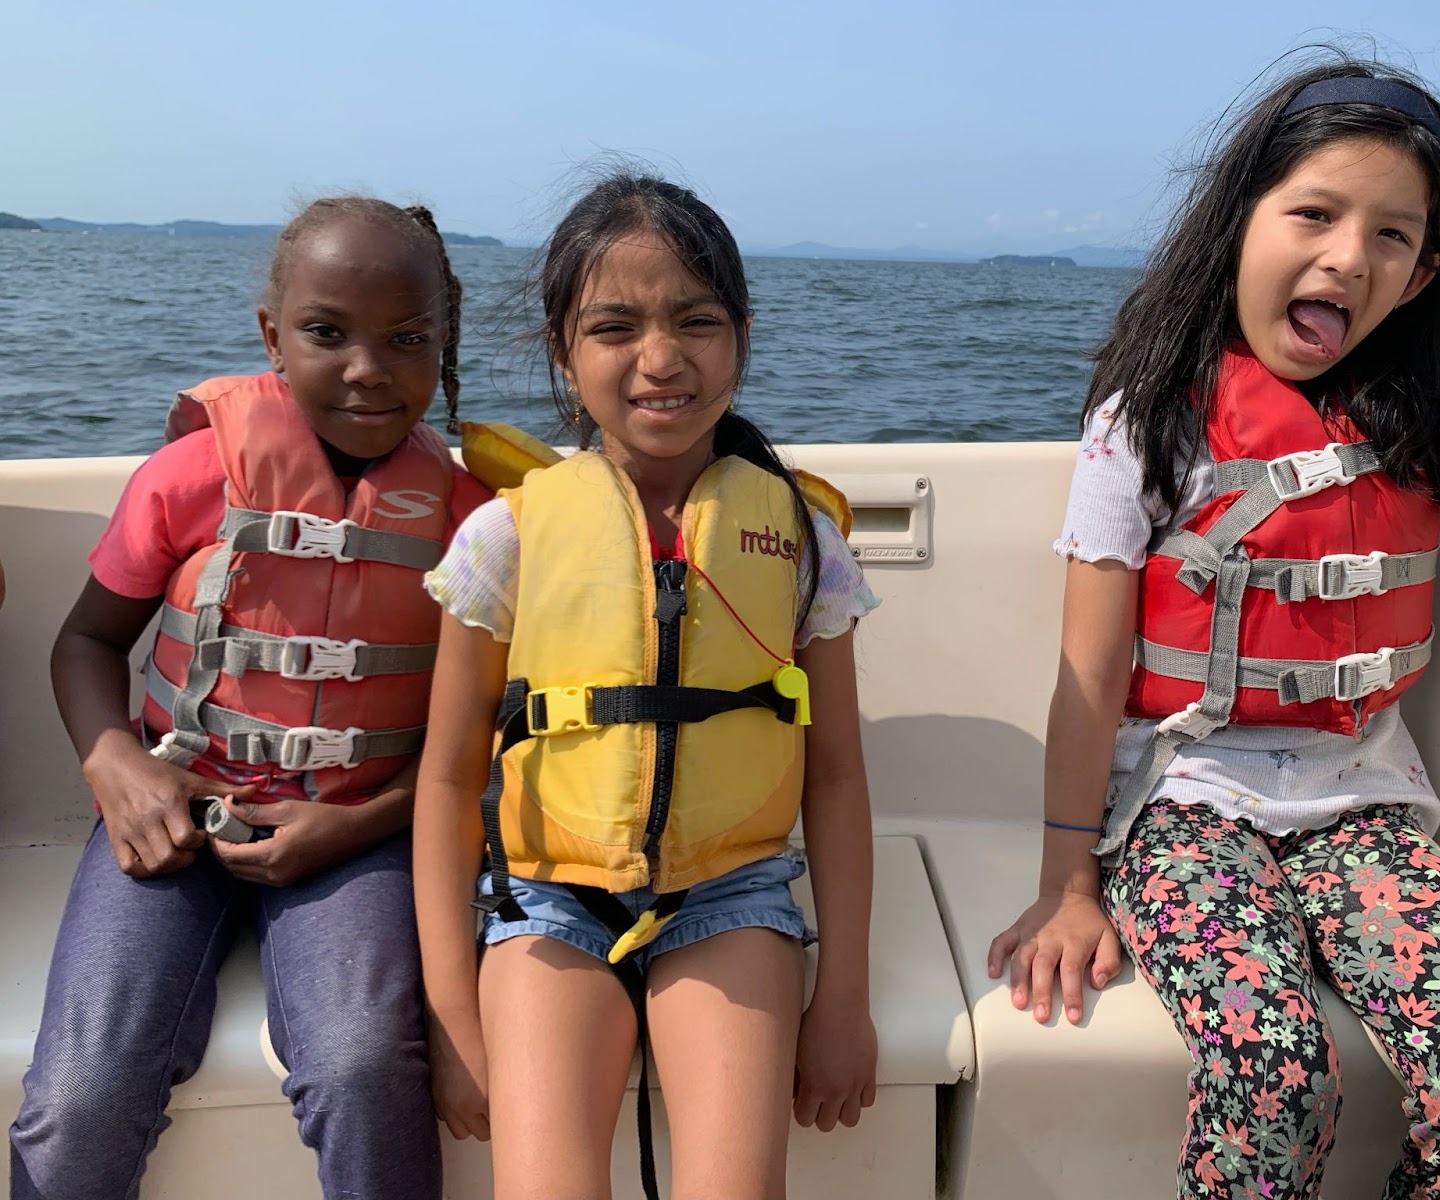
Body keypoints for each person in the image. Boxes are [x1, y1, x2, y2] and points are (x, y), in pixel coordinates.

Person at [987, 58, 1440, 1198]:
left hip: (1363, 809)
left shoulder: (1439, 418)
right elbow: (1087, 672)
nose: (1345, 256)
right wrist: (1068, 886)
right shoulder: (1148, 426)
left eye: (1390, 236)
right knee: (1271, 1070)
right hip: (1179, 802)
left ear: (1419, 276)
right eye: (1314, 214)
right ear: (1239, 224)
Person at [10, 197, 493, 1200]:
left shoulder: (470, 524)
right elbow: (86, 641)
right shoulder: (189, 476)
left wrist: (359, 822)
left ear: (444, 345)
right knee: (84, 1086)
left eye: (406, 340)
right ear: (272, 335)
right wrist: (116, 765)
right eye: (327, 333)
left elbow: (478, 743)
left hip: (355, 836)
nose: (367, 367)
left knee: (364, 1067)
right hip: (170, 816)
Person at [414, 171, 879, 1200]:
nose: (660, 359)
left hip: (732, 893)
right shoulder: (507, 536)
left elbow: (837, 779)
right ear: (562, 351)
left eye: (696, 321)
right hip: (546, 901)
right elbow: (447, 783)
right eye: (615, 326)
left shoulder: (803, 543)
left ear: (742, 336)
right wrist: (451, 1016)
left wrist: (840, 995)